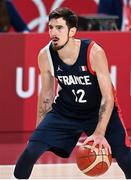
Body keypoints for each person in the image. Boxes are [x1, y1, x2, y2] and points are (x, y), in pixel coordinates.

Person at [14, 7, 131, 179]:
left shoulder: (93, 52)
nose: (53, 32)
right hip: (66, 112)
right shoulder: (45, 55)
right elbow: (46, 96)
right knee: (31, 150)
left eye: (59, 27)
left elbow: (108, 97)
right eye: (50, 27)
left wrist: (99, 133)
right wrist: (40, 131)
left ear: (72, 31)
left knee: (124, 156)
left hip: (98, 111)